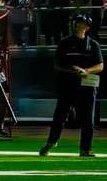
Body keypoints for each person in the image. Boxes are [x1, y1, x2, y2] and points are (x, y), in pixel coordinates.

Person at [40, 14, 100, 158]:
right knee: (59, 117)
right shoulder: (65, 43)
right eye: (76, 23)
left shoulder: (92, 44)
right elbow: (57, 64)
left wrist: (86, 71)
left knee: (88, 120)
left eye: (81, 24)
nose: (77, 26)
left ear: (87, 27)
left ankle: (85, 149)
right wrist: (73, 70)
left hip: (87, 87)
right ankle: (51, 142)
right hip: (67, 86)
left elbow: (100, 65)